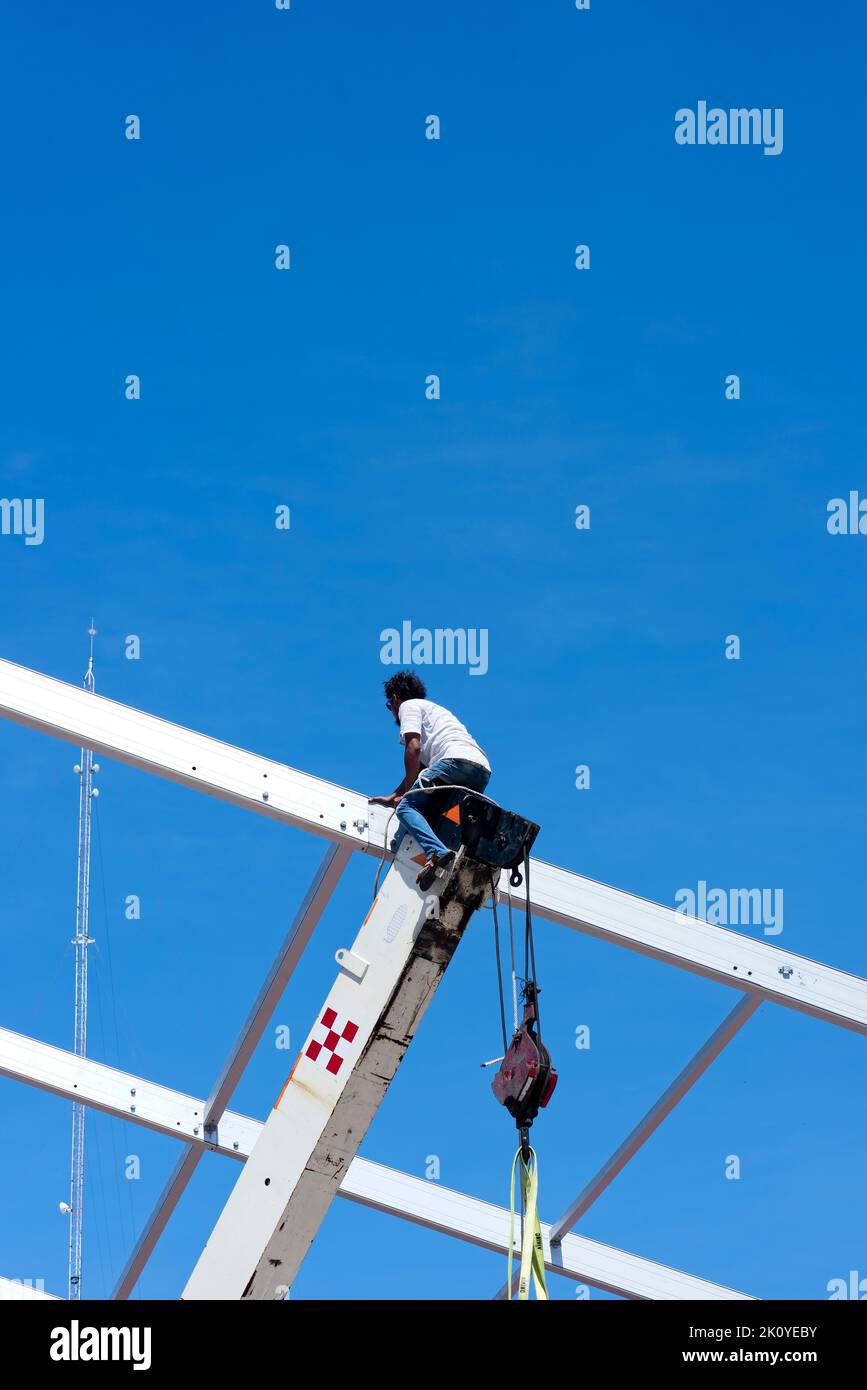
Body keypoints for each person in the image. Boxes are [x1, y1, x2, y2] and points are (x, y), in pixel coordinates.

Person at [369, 670, 491, 886]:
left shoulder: (409, 706)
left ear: (395, 699)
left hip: (455, 762)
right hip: (480, 770)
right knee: (435, 814)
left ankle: (435, 853)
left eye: (390, 707)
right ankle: (443, 855)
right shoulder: (435, 714)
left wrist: (406, 794)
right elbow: (423, 767)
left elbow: (413, 749)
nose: (393, 712)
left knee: (406, 808)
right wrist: (395, 794)